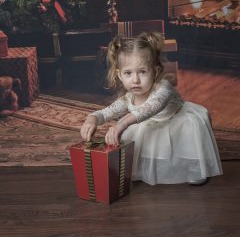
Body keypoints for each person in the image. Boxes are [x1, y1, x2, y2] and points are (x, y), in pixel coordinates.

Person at [80, 32, 223, 185]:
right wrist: (92, 118)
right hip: (154, 125)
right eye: (128, 73)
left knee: (186, 130)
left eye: (142, 72)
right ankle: (148, 167)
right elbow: (106, 112)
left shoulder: (163, 88)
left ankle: (193, 167)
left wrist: (122, 123)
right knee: (141, 134)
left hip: (176, 121)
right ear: (119, 75)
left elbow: (150, 108)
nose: (135, 80)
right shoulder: (128, 98)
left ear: (154, 71)